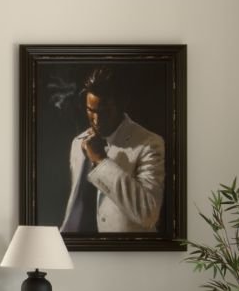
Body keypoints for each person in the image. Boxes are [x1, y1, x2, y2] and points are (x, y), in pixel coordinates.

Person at [59, 71, 164, 235]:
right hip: (79, 250)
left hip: (128, 254)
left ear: (122, 105)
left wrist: (101, 161)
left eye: (105, 111)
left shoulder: (149, 144)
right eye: (90, 110)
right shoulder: (78, 143)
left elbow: (148, 214)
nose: (96, 120)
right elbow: (76, 205)